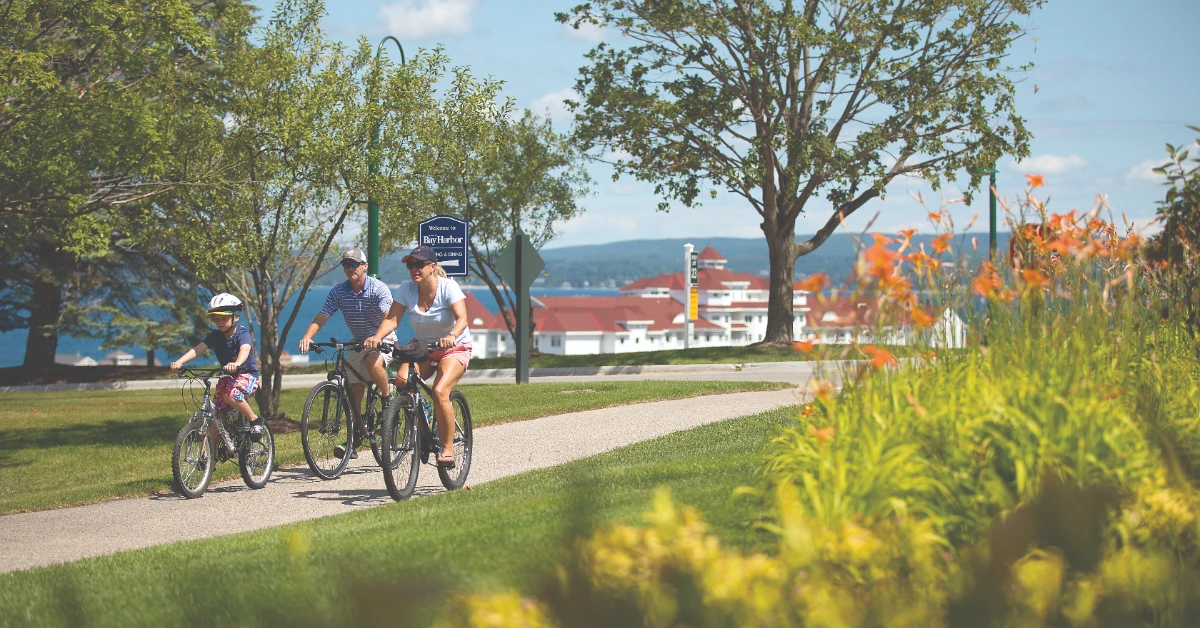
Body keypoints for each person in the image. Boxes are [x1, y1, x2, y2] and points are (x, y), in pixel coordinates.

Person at [365, 245, 471, 467]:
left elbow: (462, 319)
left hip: (454, 347)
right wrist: (376, 337)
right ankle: (423, 429)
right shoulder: (406, 289)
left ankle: (448, 449)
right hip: (423, 346)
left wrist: (451, 335)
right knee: (403, 381)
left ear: (432, 267)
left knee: (441, 391)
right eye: (410, 265)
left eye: (419, 264)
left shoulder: (448, 287)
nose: (414, 269)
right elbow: (393, 319)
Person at [298, 246, 397, 458]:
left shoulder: (378, 289)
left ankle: (387, 400)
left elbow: (389, 317)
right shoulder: (339, 291)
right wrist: (308, 337)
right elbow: (322, 316)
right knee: (353, 389)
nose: (350, 268)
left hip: (383, 338)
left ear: (365, 266)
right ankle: (354, 437)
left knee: (372, 362)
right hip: (359, 341)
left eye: (354, 264)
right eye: (346, 264)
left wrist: (377, 338)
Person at [170, 293, 265, 441]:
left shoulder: (242, 333)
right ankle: (210, 459)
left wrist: (237, 363)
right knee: (216, 415)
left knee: (230, 395)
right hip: (226, 377)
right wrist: (180, 362)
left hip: (246, 376)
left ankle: (254, 419)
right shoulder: (215, 336)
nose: (220, 322)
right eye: (216, 319)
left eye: (224, 318)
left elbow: (244, 350)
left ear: (235, 317)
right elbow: (198, 349)